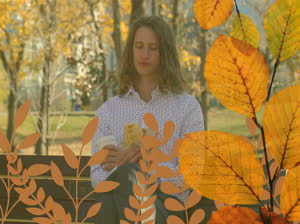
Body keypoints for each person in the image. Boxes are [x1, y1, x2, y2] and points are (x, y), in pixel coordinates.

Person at [91, 16, 215, 223]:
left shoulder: (187, 107)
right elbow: (97, 176)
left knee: (128, 178)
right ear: (131, 51)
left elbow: (194, 176)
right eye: (139, 46)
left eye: (153, 48)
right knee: (118, 188)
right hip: (123, 206)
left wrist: (149, 165)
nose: (144, 55)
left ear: (164, 53)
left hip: (170, 209)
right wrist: (124, 168)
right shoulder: (108, 111)